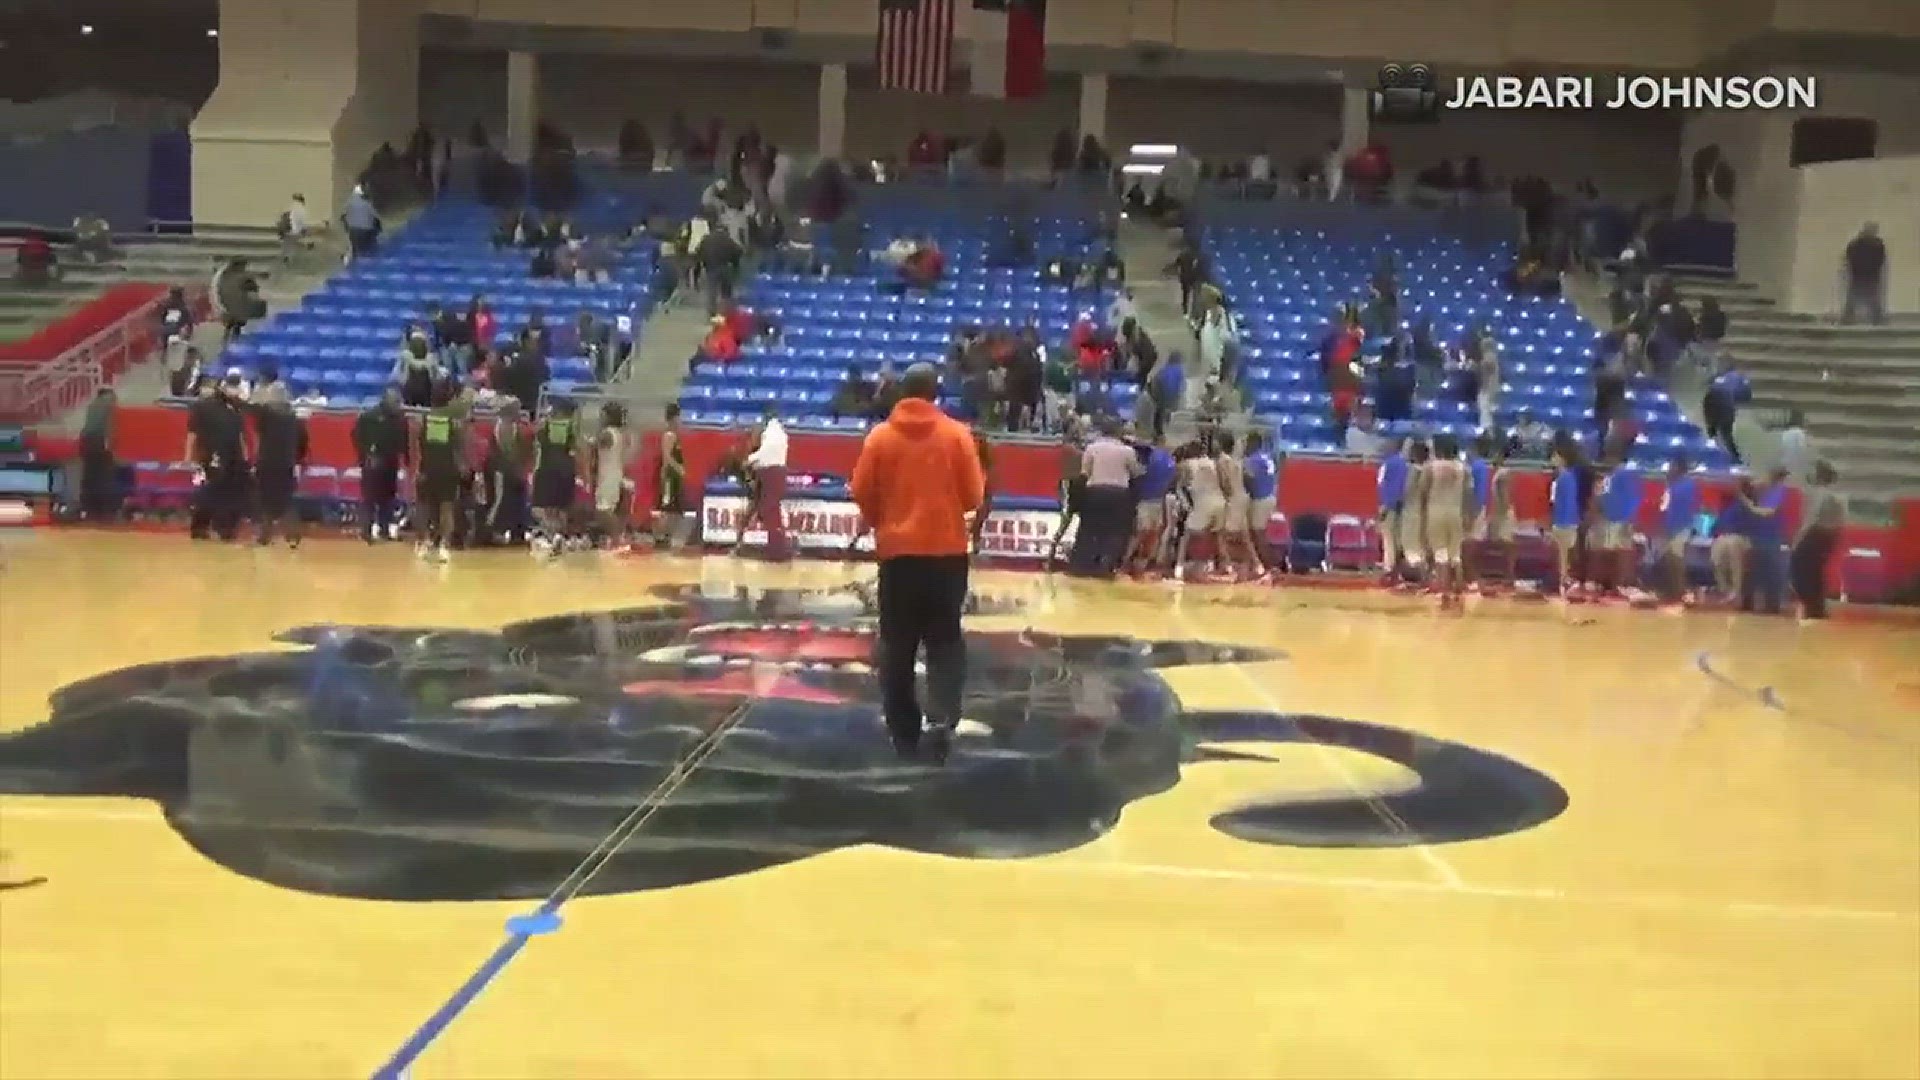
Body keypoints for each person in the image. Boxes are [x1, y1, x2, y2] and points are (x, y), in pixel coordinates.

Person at [850, 363, 985, 764]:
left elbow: (861, 492)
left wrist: (885, 522)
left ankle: (903, 731)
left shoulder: (879, 438)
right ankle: (942, 718)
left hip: (898, 556)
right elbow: (974, 496)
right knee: (945, 641)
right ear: (935, 393)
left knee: (897, 646)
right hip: (947, 553)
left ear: (901, 394)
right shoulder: (957, 435)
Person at [184, 373, 251, 541]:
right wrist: (188, 458)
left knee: (231, 495)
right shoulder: (203, 407)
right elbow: (192, 433)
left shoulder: (236, 408)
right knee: (208, 493)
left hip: (233, 458)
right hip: (209, 455)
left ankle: (226, 529)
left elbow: (240, 435)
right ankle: (200, 527)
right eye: (231, 385)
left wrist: (245, 457)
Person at [1073, 419, 1142, 577]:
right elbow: (1136, 473)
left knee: (1089, 529)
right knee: (1115, 532)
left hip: (1095, 491)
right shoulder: (1127, 451)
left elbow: (1084, 473)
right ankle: (1106, 566)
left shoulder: (1091, 448)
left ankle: (1083, 566)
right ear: (1118, 432)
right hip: (1118, 493)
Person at [413, 382, 468, 562]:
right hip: (447, 469)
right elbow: (459, 449)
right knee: (447, 508)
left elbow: (416, 447)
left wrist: (415, 469)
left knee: (423, 507)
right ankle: (444, 545)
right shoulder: (455, 423)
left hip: (427, 468)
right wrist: (463, 467)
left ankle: (424, 542)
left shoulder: (422, 420)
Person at [250, 384, 310, 548]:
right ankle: (293, 535)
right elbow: (303, 443)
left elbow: (258, 434)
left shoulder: (266, 415)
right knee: (286, 500)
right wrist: (296, 458)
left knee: (264, 500)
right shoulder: (295, 420)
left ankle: (265, 536)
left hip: (267, 462)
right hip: (287, 463)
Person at [1420, 434, 1471, 607]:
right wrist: (1467, 516)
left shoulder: (1430, 467)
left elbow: (1423, 491)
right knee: (1455, 553)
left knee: (1440, 553)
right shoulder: (1463, 469)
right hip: (1455, 511)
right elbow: (1468, 495)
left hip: (1436, 511)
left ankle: (1444, 591)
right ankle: (1459, 587)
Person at [351, 387, 408, 542]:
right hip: (372, 463)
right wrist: (365, 454)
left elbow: (402, 440)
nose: (399, 404)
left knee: (388, 498)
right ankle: (366, 530)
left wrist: (403, 456)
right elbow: (356, 436)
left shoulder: (399, 419)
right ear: (386, 400)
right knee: (370, 498)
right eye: (396, 401)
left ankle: (384, 530)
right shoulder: (369, 416)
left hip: (391, 462)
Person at [1791, 461, 1844, 620]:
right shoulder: (1836, 495)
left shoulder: (1818, 494)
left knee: (1801, 570)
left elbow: (1811, 519)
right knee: (1816, 573)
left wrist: (1797, 539)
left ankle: (1809, 605)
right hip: (1828, 537)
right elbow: (1839, 521)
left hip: (1814, 535)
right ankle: (1817, 609)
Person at [530, 398, 582, 557]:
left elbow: (536, 442)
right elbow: (575, 448)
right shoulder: (571, 428)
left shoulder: (544, 425)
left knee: (547, 508)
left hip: (547, 468)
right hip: (566, 469)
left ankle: (551, 537)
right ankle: (560, 537)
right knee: (562, 507)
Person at [1173, 435, 1227, 583]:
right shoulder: (1213, 463)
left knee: (1187, 535)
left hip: (1204, 503)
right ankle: (1220, 566)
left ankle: (1179, 567)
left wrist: (1186, 506)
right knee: (1215, 535)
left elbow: (1179, 486)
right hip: (1220, 501)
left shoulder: (1186, 464)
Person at [480, 399, 534, 547]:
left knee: (515, 500)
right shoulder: (503, 428)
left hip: (510, 471)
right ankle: (491, 530)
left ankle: (516, 531)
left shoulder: (512, 428)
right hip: (500, 472)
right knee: (499, 501)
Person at [1738, 468, 1791, 615]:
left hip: (1770, 537)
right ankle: (1753, 603)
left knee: (1768, 570)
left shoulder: (1778, 492)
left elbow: (1766, 512)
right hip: (1761, 536)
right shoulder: (1769, 491)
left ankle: (1771, 605)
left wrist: (1746, 503)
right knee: (1755, 570)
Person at [1593, 454, 1643, 597]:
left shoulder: (1612, 477)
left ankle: (1615, 585)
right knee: (1622, 551)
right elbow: (1636, 498)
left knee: (1612, 552)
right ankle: (1619, 585)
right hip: (1623, 519)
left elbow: (1602, 499)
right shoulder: (1631, 476)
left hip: (1613, 519)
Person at [745, 405, 790, 561]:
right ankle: (778, 548)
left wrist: (750, 460)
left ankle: (776, 551)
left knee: (770, 512)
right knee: (773, 512)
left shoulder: (772, 434)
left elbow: (765, 454)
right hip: (776, 473)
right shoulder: (780, 433)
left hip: (771, 473)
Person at [1656, 457, 1701, 609]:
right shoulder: (1671, 486)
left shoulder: (1687, 485)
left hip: (1682, 527)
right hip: (1671, 527)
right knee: (1670, 559)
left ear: (1679, 468)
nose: (1669, 470)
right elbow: (1665, 509)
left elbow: (1691, 508)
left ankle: (1682, 592)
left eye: (1672, 467)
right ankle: (1674, 591)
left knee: (1676, 559)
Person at [590, 402, 632, 548]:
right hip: (614, 473)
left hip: (608, 475)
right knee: (609, 509)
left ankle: (618, 539)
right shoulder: (619, 433)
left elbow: (594, 445)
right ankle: (617, 538)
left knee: (603, 510)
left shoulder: (607, 433)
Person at [650, 403, 690, 550]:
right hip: (670, 476)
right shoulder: (669, 435)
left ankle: (666, 536)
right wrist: (679, 469)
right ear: (674, 417)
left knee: (675, 508)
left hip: (674, 477)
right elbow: (666, 457)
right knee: (666, 508)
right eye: (679, 417)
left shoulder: (675, 435)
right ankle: (659, 537)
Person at [1046, 422, 1087, 565]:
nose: (1079, 433)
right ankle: (1051, 552)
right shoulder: (1068, 447)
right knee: (1065, 521)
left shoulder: (1076, 448)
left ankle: (1076, 551)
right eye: (1076, 430)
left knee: (1081, 520)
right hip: (1068, 485)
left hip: (1079, 485)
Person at [1548, 439, 1584, 598]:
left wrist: (1559, 522)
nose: (1552, 459)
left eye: (1554, 456)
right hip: (1566, 521)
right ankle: (1563, 582)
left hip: (1563, 523)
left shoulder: (1564, 479)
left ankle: (1563, 583)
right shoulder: (1568, 478)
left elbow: (1564, 503)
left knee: (1562, 556)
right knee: (1563, 556)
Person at [76, 388, 118, 521]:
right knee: (104, 477)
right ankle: (104, 510)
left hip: (88, 443)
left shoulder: (92, 406)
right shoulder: (109, 405)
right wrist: (109, 445)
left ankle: (89, 509)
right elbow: (109, 427)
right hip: (100, 443)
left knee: (90, 476)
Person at [1242, 432, 1279, 577]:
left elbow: (1250, 478)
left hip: (1261, 498)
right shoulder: (1267, 457)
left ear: (1252, 443)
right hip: (1270, 496)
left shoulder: (1252, 460)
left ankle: (1269, 566)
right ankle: (1257, 564)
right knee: (1257, 532)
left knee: (1258, 533)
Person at [1703, 356, 1750, 463]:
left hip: (1710, 399)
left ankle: (1711, 441)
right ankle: (1735, 457)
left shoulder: (1721, 376)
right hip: (1725, 402)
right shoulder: (1742, 379)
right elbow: (1745, 396)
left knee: (1712, 426)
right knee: (1726, 432)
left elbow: (1709, 384)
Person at [1375, 437, 1409, 582]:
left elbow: (1383, 486)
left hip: (1389, 505)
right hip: (1404, 506)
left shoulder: (1387, 464)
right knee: (1400, 539)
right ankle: (1399, 570)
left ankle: (1389, 570)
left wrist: (1385, 505)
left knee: (1388, 539)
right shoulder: (1406, 465)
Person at [1842, 223, 1886, 325]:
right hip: (1868, 275)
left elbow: (1850, 257)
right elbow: (1880, 260)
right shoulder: (1877, 244)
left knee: (1858, 298)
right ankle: (1876, 320)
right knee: (1870, 298)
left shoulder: (1855, 243)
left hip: (1860, 275)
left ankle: (1848, 319)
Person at [343, 184, 381, 263]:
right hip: (366, 230)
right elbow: (375, 215)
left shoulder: (349, 202)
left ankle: (353, 262)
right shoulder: (366, 203)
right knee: (370, 247)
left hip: (353, 230)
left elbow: (344, 215)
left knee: (355, 249)